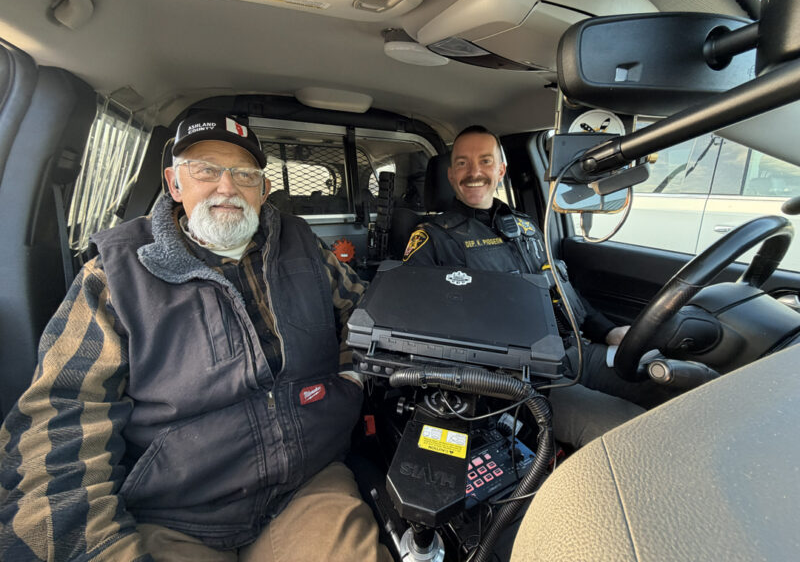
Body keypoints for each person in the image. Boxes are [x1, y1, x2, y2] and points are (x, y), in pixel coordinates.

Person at [0, 113, 391, 562]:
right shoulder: (114, 275)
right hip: (174, 513)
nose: (227, 187)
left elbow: (366, 319)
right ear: (174, 183)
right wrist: (101, 548)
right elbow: (61, 423)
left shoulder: (302, 244)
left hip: (309, 482)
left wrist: (350, 381)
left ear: (263, 191)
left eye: (245, 174)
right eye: (205, 169)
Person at [402, 125, 659, 448]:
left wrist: (608, 332)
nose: (474, 172)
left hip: (575, 351)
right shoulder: (432, 239)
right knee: (635, 434)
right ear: (451, 174)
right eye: (463, 163)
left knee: (674, 380)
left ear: (501, 170)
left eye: (484, 161)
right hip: (519, 380)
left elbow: (561, 290)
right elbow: (418, 327)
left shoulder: (525, 226)